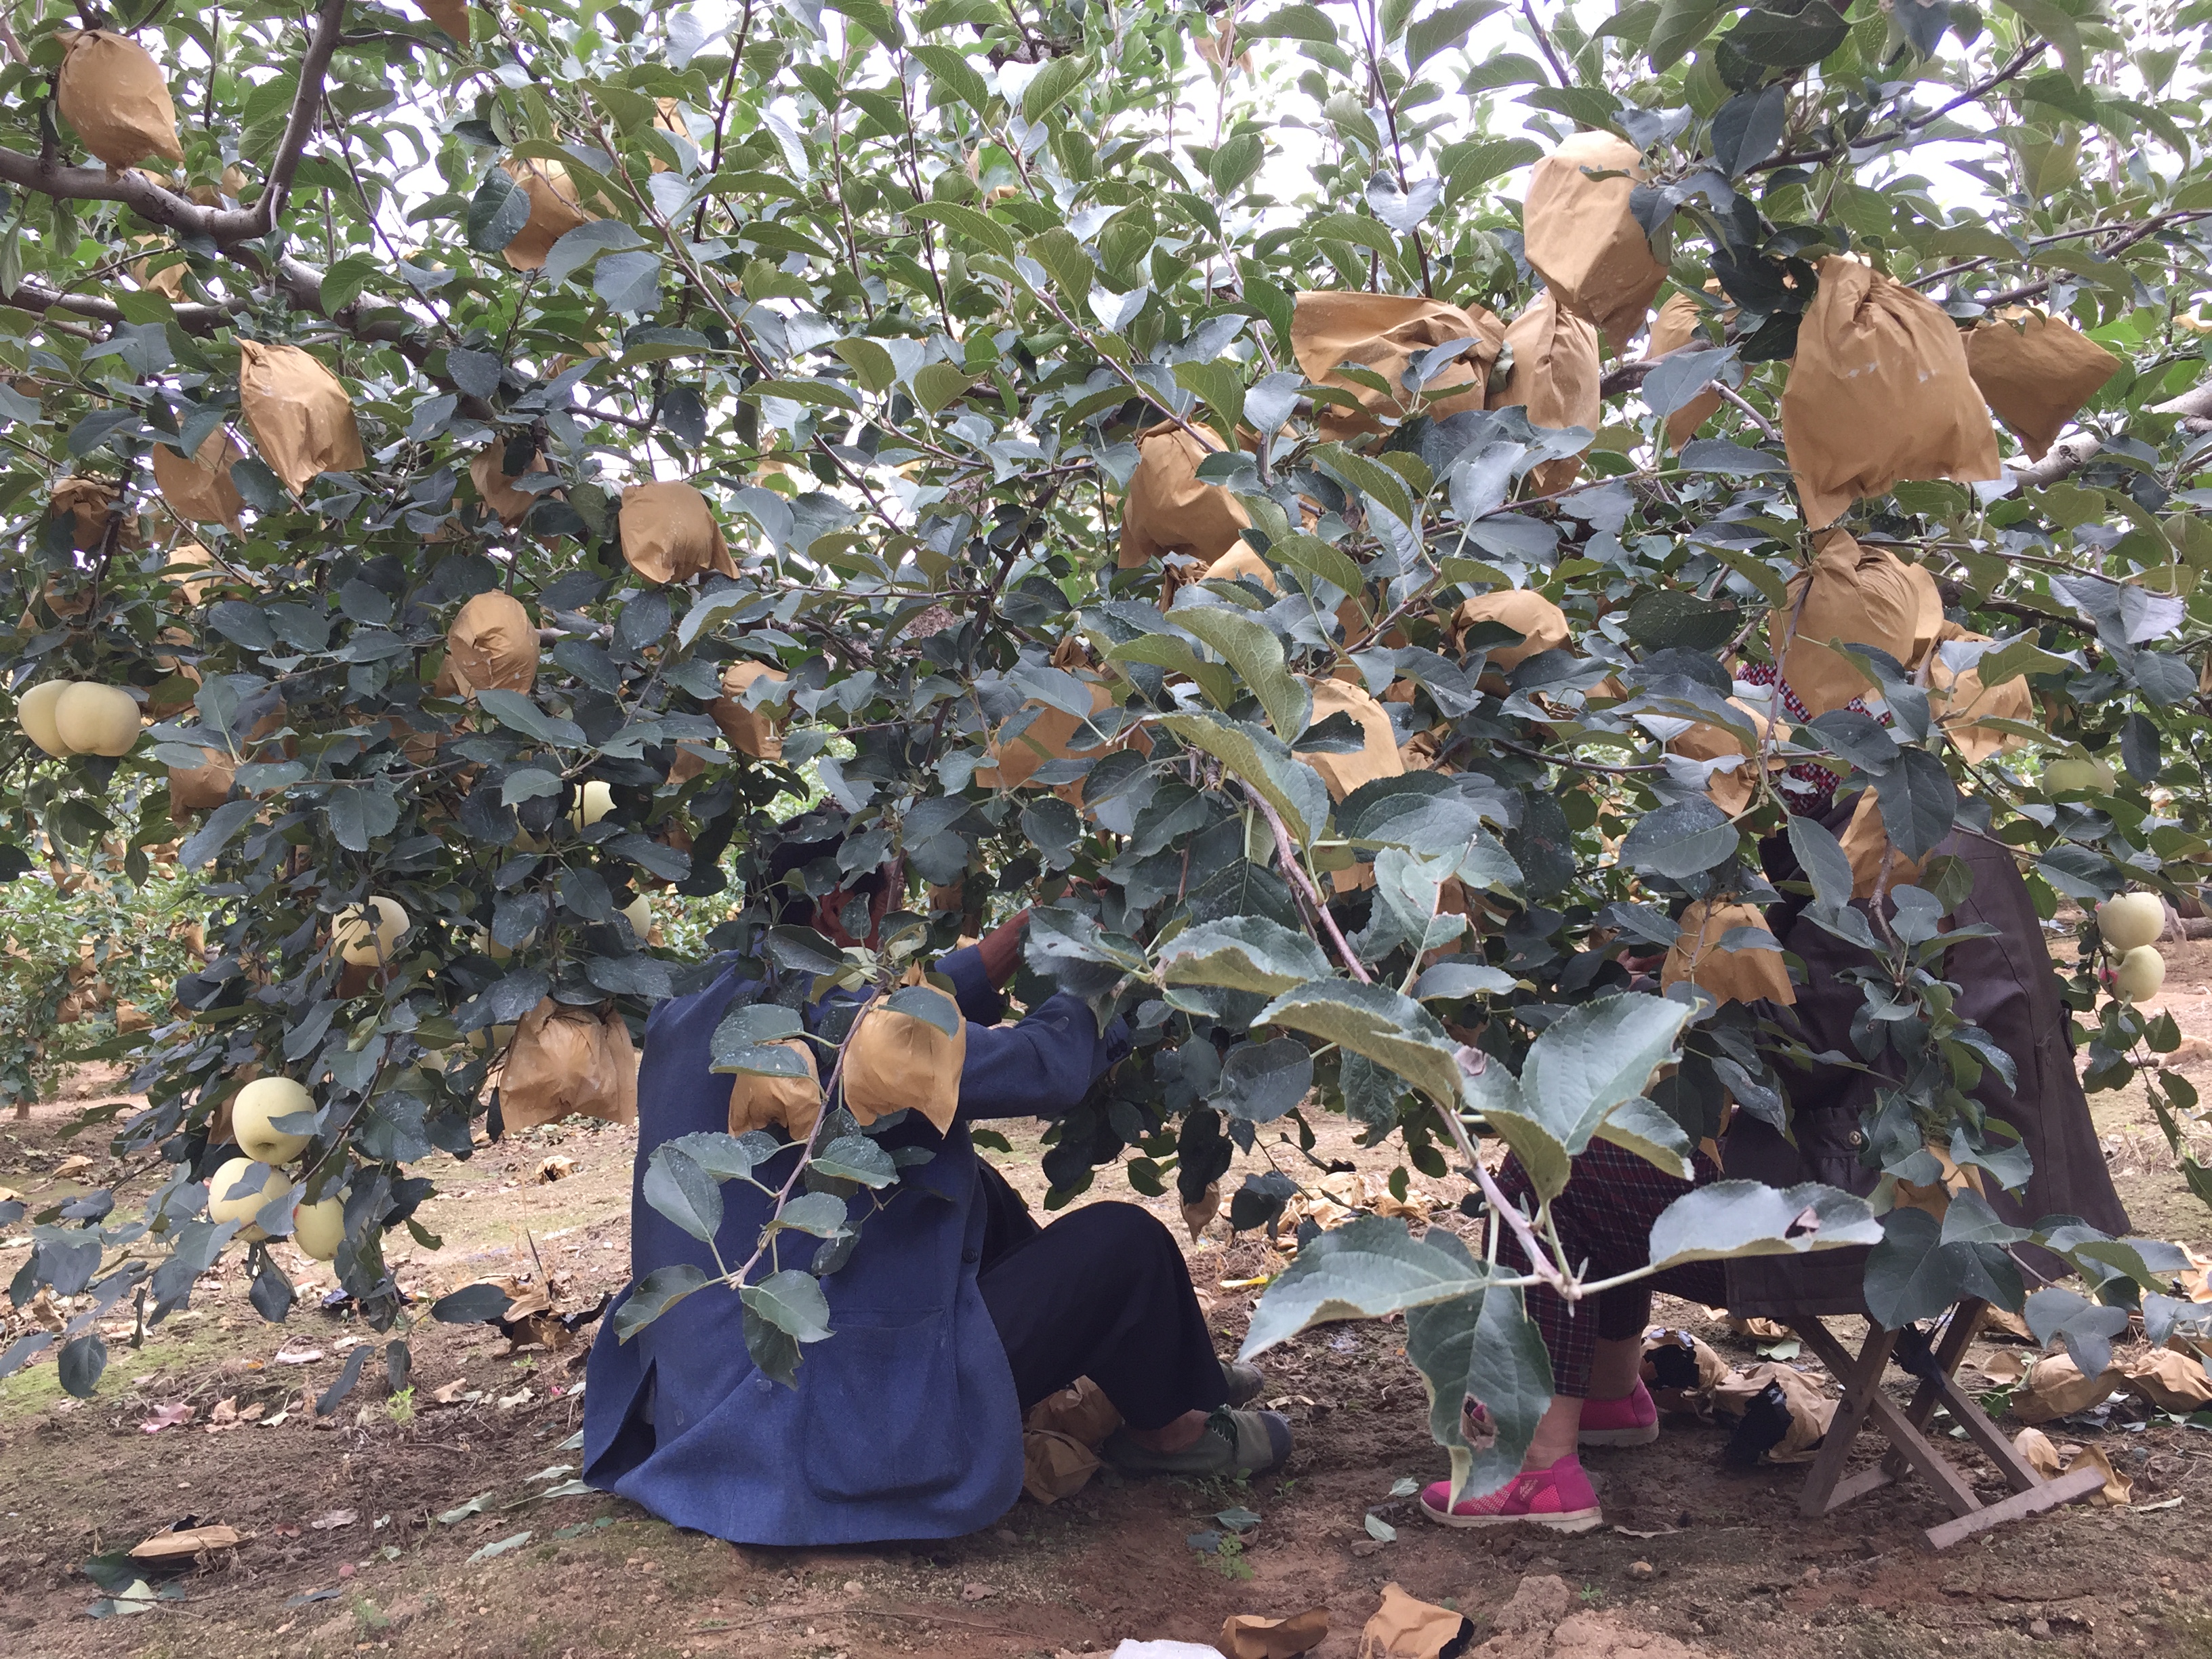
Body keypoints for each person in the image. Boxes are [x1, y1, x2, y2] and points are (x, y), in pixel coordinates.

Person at [1418, 790, 2131, 1533]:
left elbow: (1803, 1041)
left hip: (1887, 1212)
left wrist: (1665, 991)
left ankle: (1533, 1465)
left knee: (1552, 1170)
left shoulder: (1874, 845)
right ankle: (1601, 1392)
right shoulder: (1936, 816)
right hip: (1997, 1194)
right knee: (1605, 1150)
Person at [583, 842, 1289, 1546]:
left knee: (969, 1190)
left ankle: (1161, 1370)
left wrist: (1012, 945)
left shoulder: (702, 1005)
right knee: (1125, 1246)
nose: (898, 920)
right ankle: (1170, 1432)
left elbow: (894, 1019)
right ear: (839, 908)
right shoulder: (838, 1028)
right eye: (891, 903)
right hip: (811, 1421)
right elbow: (1043, 1069)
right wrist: (1097, 972)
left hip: (701, 1398)